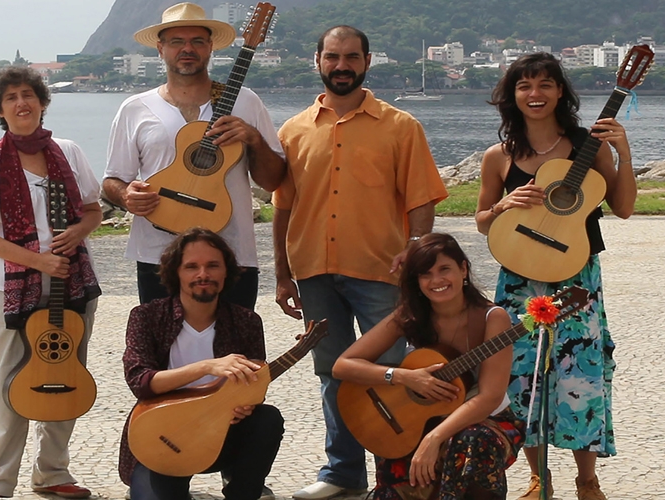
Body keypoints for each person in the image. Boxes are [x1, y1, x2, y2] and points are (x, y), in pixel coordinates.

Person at [272, 25, 448, 499]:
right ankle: (342, 474)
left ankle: (397, 476)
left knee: (391, 371)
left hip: (381, 273)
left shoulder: (401, 126)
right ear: (318, 61)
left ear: (367, 61)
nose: (341, 65)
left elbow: (421, 203)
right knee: (332, 373)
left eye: (351, 57)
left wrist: (417, 256)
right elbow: (283, 207)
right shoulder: (292, 130)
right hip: (312, 272)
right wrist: (282, 273)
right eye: (332, 56)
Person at [475, 53, 636, 500]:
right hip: (519, 277)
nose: (535, 94)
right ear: (512, 96)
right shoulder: (499, 156)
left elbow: (623, 208)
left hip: (576, 277)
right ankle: (537, 477)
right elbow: (483, 221)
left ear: (561, 91)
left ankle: (587, 479)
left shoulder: (590, 145)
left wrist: (623, 151)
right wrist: (504, 207)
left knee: (579, 371)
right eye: (524, 85)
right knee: (521, 374)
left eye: (545, 84)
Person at [0, 66, 102, 500]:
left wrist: (77, 233)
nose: (22, 104)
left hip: (70, 283)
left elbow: (92, 209)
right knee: (4, 383)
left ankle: (53, 474)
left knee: (65, 375)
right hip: (8, 287)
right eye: (11, 98)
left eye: (28, 95)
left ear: (42, 101)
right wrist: (38, 261)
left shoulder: (68, 152)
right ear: (1, 110)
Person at [102, 2, 286, 311]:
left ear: (210, 47)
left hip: (232, 255)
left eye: (197, 41)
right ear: (160, 49)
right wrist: (126, 195)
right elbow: (112, 180)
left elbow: (272, 180)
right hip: (157, 255)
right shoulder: (134, 108)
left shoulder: (246, 102)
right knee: (163, 351)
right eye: (177, 41)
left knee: (235, 352)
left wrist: (253, 139)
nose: (187, 49)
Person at [333, 233, 525, 499]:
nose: (436, 281)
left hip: (484, 421)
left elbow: (489, 397)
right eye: (426, 274)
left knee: (471, 440)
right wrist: (403, 377)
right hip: (424, 419)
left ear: (464, 269)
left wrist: (433, 439)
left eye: (444, 269)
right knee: (396, 445)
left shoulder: (493, 318)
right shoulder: (410, 314)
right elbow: (343, 365)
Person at [118, 227, 284, 500]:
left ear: (226, 272)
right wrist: (208, 366)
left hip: (220, 434)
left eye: (212, 266)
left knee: (267, 420)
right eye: (191, 266)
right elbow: (141, 382)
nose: (203, 275)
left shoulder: (247, 322)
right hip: (163, 435)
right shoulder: (146, 316)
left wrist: (245, 405)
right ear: (176, 273)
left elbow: (254, 386)